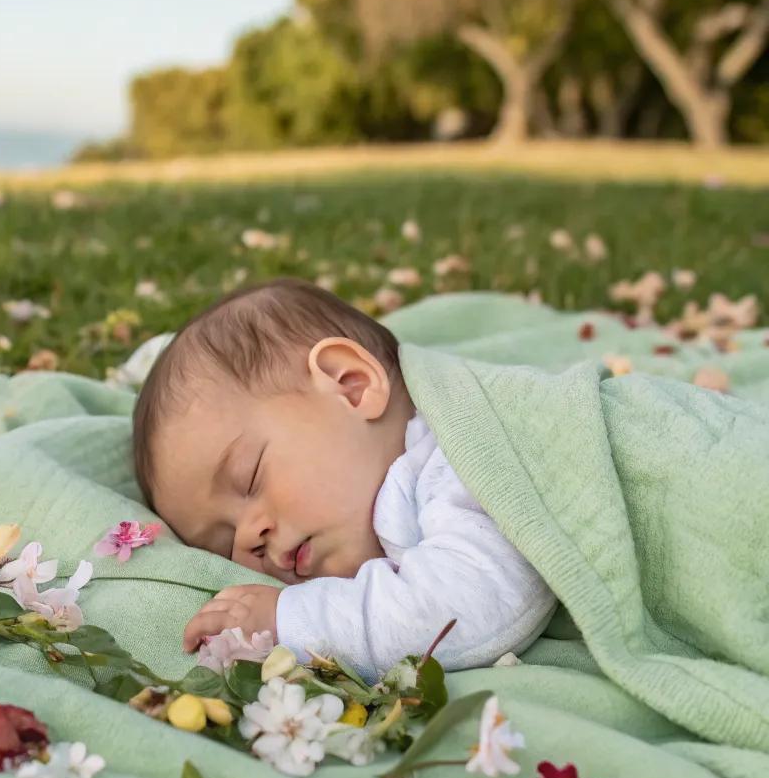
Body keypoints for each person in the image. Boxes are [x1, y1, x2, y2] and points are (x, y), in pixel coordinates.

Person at [132, 278, 555, 683]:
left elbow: (473, 605)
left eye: (249, 478)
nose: (249, 537)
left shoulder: (459, 457)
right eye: (222, 545)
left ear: (350, 387)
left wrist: (293, 619)